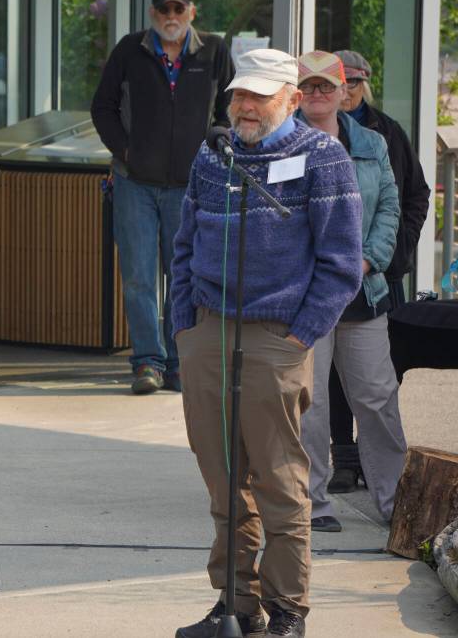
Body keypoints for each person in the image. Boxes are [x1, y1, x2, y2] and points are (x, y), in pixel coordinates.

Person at [171, 49, 363, 638]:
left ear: (293, 99)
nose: (245, 107)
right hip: (208, 332)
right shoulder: (215, 152)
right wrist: (185, 325)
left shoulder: (322, 157)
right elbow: (183, 243)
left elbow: (342, 265)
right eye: (239, 96)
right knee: (223, 480)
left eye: (258, 96)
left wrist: (299, 334)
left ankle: (287, 612)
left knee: (279, 483)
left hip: (276, 337)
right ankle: (235, 606)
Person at [91, 0, 234, 394]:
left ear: (192, 11)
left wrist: (216, 140)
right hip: (134, 183)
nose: (171, 17)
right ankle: (146, 362)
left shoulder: (213, 51)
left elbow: (227, 106)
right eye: (164, 10)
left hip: (189, 184)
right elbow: (103, 107)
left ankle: (177, 362)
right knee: (138, 277)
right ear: (153, 14)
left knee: (182, 274)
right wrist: (126, 150)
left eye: (178, 9)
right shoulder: (129, 50)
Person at [294, 51, 405, 533]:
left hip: (363, 291)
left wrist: (366, 261)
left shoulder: (373, 144)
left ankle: (396, 501)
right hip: (305, 295)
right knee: (310, 403)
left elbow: (391, 211)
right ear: (296, 95)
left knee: (377, 397)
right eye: (309, 86)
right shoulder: (282, 144)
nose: (319, 94)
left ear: (346, 92)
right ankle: (313, 503)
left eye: (327, 86)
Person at [323, 49, 430, 494]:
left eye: (352, 83)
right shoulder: (310, 132)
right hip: (327, 284)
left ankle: (383, 474)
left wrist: (395, 253)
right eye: (336, 82)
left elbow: (413, 197)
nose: (344, 91)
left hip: (378, 278)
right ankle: (344, 460)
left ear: (363, 84)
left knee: (377, 382)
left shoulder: (387, 133)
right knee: (330, 379)